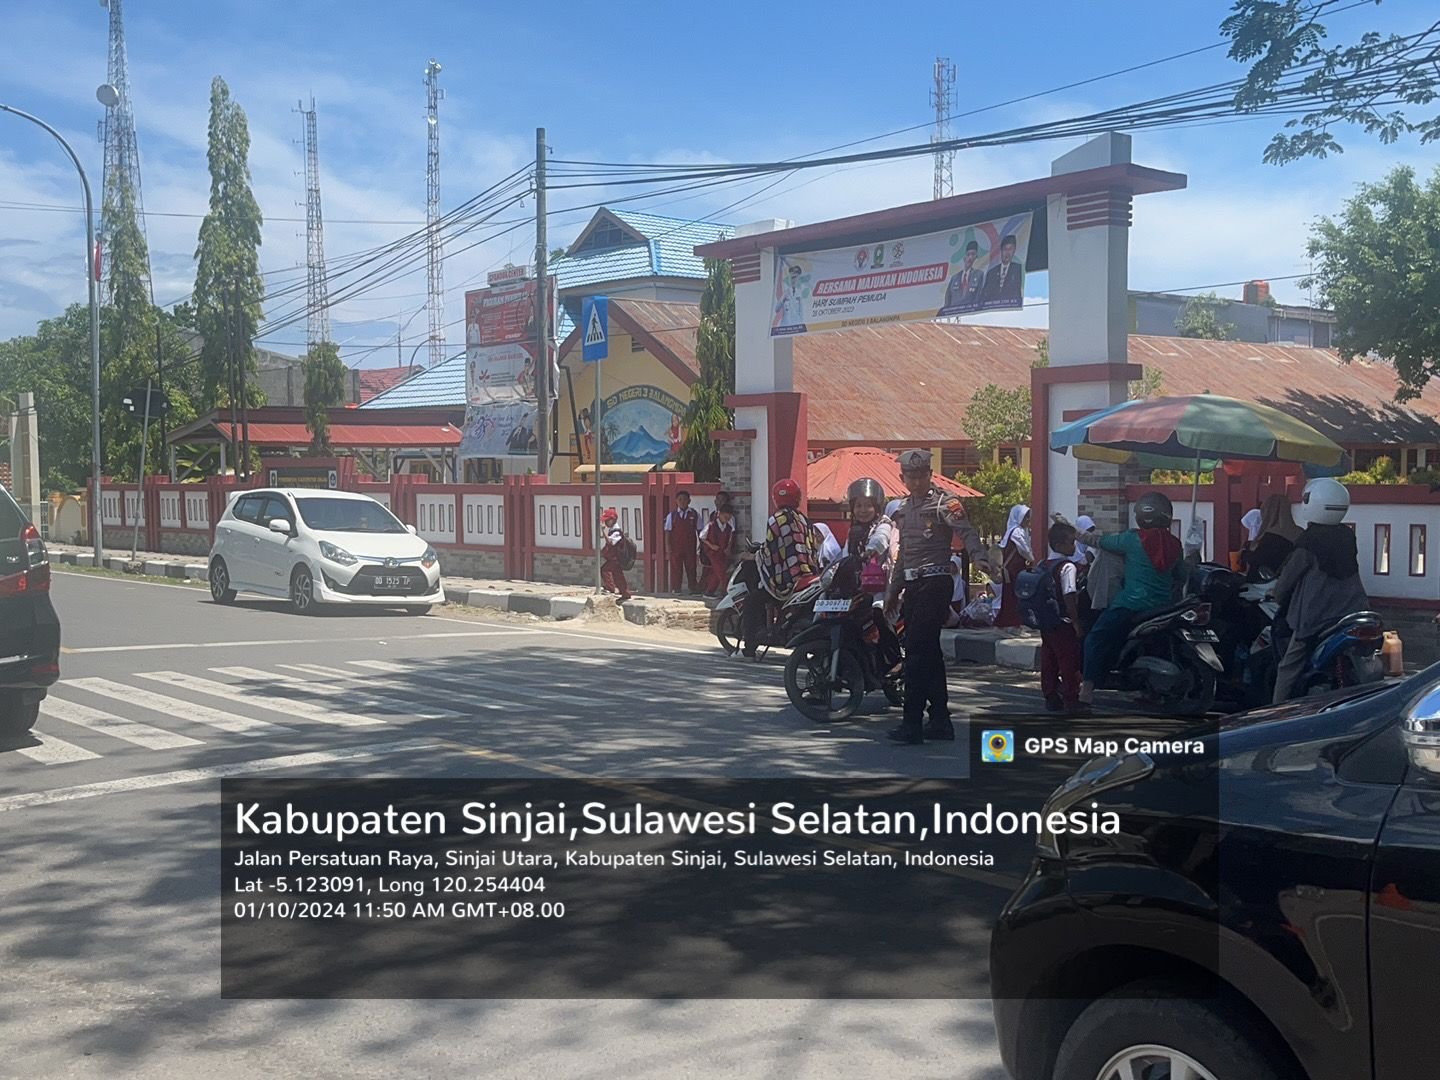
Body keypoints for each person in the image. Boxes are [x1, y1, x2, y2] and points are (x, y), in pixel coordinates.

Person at [886, 449, 990, 744]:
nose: (917, 481)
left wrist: (980, 557)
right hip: (913, 585)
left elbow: (967, 533)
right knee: (928, 652)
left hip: (936, 582)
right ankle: (940, 720)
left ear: (930, 475)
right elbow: (903, 556)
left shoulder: (946, 503)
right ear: (903, 478)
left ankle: (912, 723)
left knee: (916, 652)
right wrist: (893, 590)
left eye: (922, 475)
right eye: (911, 476)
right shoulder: (903, 510)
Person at [1076, 492, 1188, 706]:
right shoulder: (1175, 544)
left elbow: (1098, 541)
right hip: (1164, 606)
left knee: (1095, 638)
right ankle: (1151, 692)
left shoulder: (1132, 539)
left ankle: (1087, 690)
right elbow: (1181, 575)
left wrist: (1073, 532)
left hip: (1130, 604)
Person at [1271, 479, 1369, 704]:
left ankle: (1275, 712)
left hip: (1318, 616)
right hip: (1354, 610)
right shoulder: (1347, 535)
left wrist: (1277, 595)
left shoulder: (1309, 540)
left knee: (1288, 666)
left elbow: (1288, 578)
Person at [743, 478, 820, 659]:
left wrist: (755, 556)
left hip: (787, 580)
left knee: (752, 601)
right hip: (808, 575)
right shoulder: (804, 520)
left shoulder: (776, 520)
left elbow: (771, 550)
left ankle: (749, 648)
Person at [844, 477, 903, 674]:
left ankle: (894, 658)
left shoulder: (883, 524)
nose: (863, 510)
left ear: (876, 507)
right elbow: (843, 555)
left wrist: (871, 550)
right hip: (858, 585)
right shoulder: (853, 531)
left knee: (879, 612)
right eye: (859, 505)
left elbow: (881, 539)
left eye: (867, 505)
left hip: (881, 585)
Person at [1038, 522, 1087, 715]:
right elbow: (1069, 595)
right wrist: (1076, 622)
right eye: (1071, 542)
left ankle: (1050, 696)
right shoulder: (1067, 567)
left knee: (1049, 658)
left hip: (1046, 621)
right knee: (1068, 661)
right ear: (1059, 545)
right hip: (1063, 622)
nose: (1074, 546)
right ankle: (1071, 699)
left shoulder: (1043, 564)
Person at [1242, 493, 1302, 581]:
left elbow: (1258, 561)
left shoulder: (1269, 537)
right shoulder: (1301, 534)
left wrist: (1245, 553)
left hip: (1264, 585)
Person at [994, 504, 1033, 628]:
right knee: (1014, 596)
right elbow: (1024, 550)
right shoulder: (1017, 532)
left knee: (1010, 595)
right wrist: (1032, 559)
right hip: (1014, 570)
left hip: (1013, 569)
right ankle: (1012, 621)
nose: (1028, 520)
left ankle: (1009, 620)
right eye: (1025, 517)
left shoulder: (1016, 531)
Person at [664, 490, 702, 595]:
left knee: (691, 567)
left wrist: (701, 545)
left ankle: (693, 588)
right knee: (676, 567)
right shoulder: (672, 515)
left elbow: (700, 531)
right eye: (680, 499)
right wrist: (668, 546)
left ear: (689, 501)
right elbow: (668, 531)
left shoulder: (694, 514)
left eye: (685, 499)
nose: (682, 502)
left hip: (690, 546)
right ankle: (676, 588)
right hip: (676, 546)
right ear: (676, 501)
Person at [699, 493, 737, 597]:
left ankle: (709, 591)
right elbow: (702, 536)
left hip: (722, 552)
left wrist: (728, 548)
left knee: (716, 572)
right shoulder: (711, 524)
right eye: (725, 517)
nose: (727, 519)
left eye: (728, 517)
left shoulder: (729, 526)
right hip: (713, 552)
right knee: (722, 573)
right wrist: (711, 546)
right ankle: (726, 592)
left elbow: (731, 536)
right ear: (720, 514)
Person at [940, 241, 985, 313]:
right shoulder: (954, 278)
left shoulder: (979, 275)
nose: (970, 258)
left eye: (973, 254)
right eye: (968, 255)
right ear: (964, 257)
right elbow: (948, 299)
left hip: (970, 312)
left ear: (976, 257)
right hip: (954, 313)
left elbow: (979, 296)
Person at [599, 508, 632, 603]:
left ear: (613, 520)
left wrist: (603, 531)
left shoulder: (616, 531)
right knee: (618, 575)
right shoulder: (612, 530)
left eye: (607, 520)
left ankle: (611, 588)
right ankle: (625, 593)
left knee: (605, 570)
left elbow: (610, 542)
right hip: (613, 558)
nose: (605, 523)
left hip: (616, 558)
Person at [981, 234, 1023, 307]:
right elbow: (984, 295)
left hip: (1010, 308)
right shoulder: (991, 273)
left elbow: (1017, 293)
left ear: (1014, 251)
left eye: (1010, 249)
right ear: (1001, 251)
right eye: (1005, 249)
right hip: (992, 308)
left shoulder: (1017, 269)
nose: (1007, 253)